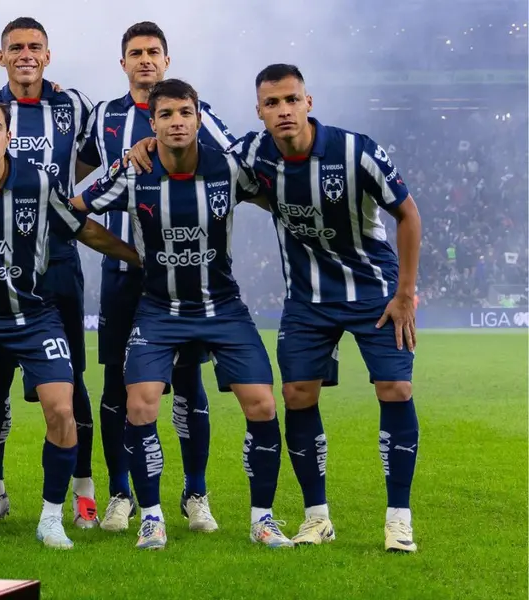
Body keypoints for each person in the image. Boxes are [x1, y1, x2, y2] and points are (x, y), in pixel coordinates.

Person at [128, 64, 423, 552]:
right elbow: (193, 159)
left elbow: (408, 215)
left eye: (291, 100)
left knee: (395, 388)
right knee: (297, 396)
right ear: (259, 111)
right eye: (272, 103)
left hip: (374, 292)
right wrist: (142, 150)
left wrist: (406, 293)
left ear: (309, 102)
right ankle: (316, 516)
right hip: (307, 299)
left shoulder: (357, 150)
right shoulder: (250, 154)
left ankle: (398, 517)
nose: (283, 110)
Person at [74, 79, 293, 550]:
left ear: (198, 118)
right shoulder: (134, 172)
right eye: (167, 114)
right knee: (139, 403)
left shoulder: (229, 169)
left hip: (222, 307)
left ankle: (263, 519)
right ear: (151, 123)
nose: (177, 122)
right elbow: (74, 211)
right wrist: (132, 255)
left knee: (263, 405)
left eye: (185, 113)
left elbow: (277, 197)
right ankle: (151, 517)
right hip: (158, 309)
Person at [0, 94, 137, 551]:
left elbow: (82, 229)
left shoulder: (36, 182)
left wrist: (140, 260)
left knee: (62, 408)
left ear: (7, 136)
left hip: (34, 318)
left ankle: (51, 517)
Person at [77, 22, 236, 533]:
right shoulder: (103, 116)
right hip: (125, 275)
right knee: (117, 387)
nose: (145, 60)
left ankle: (196, 493)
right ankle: (121, 493)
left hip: (186, 277)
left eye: (153, 53)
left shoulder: (197, 116)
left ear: (166, 60)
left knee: (188, 382)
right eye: (135, 53)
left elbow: (235, 165)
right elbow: (81, 178)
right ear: (121, 62)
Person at [0, 16, 102, 531]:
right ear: (2, 57)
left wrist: (63, 196)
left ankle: (84, 492)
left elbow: (92, 156)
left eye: (35, 47)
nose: (26, 54)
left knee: (71, 381)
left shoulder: (73, 104)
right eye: (15, 48)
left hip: (60, 262)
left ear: (48, 55)